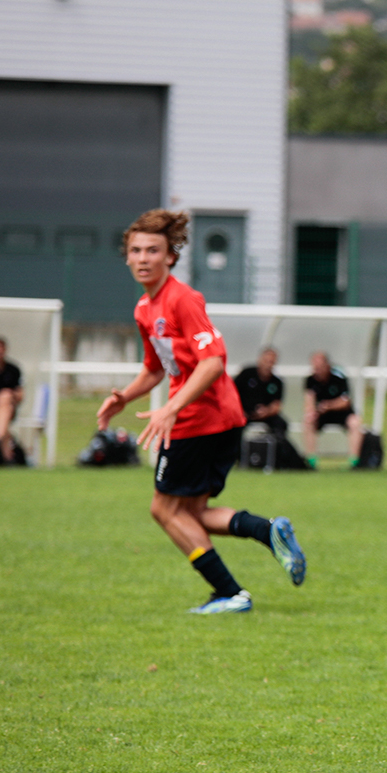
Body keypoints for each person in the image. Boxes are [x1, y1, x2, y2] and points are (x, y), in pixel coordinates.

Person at [95, 209, 307, 615]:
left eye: (152, 250)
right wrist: (125, 397)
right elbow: (156, 368)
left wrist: (171, 408)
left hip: (200, 421)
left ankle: (231, 593)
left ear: (170, 257)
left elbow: (212, 363)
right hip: (213, 419)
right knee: (192, 513)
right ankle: (268, 531)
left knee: (163, 509)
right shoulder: (144, 309)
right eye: (136, 251)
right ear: (127, 257)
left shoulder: (183, 299)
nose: (143, 258)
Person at [303, 351, 365, 466]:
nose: (317, 371)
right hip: (322, 414)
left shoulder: (339, 377)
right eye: (315, 367)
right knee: (308, 421)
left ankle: (354, 461)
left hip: (341, 413)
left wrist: (329, 405)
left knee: (355, 422)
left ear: (327, 366)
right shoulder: (310, 380)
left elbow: (345, 401)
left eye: (320, 367)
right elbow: (309, 399)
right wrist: (311, 412)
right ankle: (311, 460)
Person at [235, 347, 288, 437]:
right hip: (243, 414)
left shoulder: (277, 382)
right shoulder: (246, 374)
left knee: (281, 424)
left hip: (266, 416)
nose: (268, 365)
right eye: (266, 361)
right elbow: (232, 393)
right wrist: (240, 411)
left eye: (271, 362)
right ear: (260, 360)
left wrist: (267, 411)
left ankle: (275, 444)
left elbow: (277, 405)